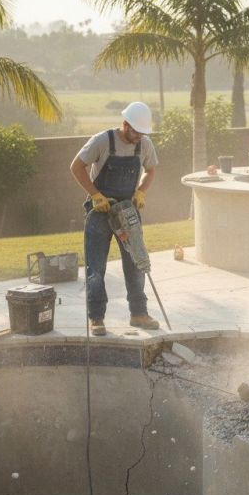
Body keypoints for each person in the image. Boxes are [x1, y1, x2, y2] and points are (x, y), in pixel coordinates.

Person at [70, 101, 160, 336]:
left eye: (143, 133)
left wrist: (141, 191)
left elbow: (151, 169)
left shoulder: (145, 144)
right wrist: (95, 195)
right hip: (99, 212)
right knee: (96, 267)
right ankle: (96, 318)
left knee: (135, 263)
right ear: (125, 124)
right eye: (136, 132)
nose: (139, 137)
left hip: (128, 211)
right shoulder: (103, 140)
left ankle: (138, 313)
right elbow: (76, 166)